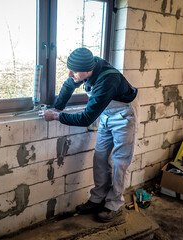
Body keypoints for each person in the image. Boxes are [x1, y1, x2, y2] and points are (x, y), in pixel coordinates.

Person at [39, 47, 138, 223]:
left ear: (88, 71)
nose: (70, 74)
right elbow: (69, 84)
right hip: (107, 115)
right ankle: (97, 199)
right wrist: (58, 107)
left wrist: (56, 116)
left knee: (119, 162)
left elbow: (86, 118)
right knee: (100, 157)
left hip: (123, 116)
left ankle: (114, 204)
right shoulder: (87, 66)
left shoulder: (108, 80)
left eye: (74, 71)